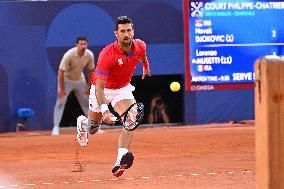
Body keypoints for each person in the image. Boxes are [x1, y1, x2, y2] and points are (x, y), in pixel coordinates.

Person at [76, 16, 151, 177]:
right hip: (102, 89)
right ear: (116, 34)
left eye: (129, 30)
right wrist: (105, 111)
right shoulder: (107, 54)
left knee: (131, 119)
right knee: (93, 129)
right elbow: (99, 88)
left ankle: (120, 159)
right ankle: (82, 123)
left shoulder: (140, 46)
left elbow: (142, 56)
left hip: (122, 89)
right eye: (122, 31)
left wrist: (146, 68)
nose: (126, 34)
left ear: (133, 31)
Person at [51, 36, 95, 136]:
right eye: (81, 44)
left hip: (80, 80)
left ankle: (92, 126)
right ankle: (56, 127)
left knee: (87, 102)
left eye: (85, 44)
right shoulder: (69, 55)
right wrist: (61, 89)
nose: (83, 46)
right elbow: (61, 72)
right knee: (60, 102)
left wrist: (89, 86)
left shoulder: (89, 55)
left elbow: (90, 71)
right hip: (66, 80)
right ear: (77, 45)